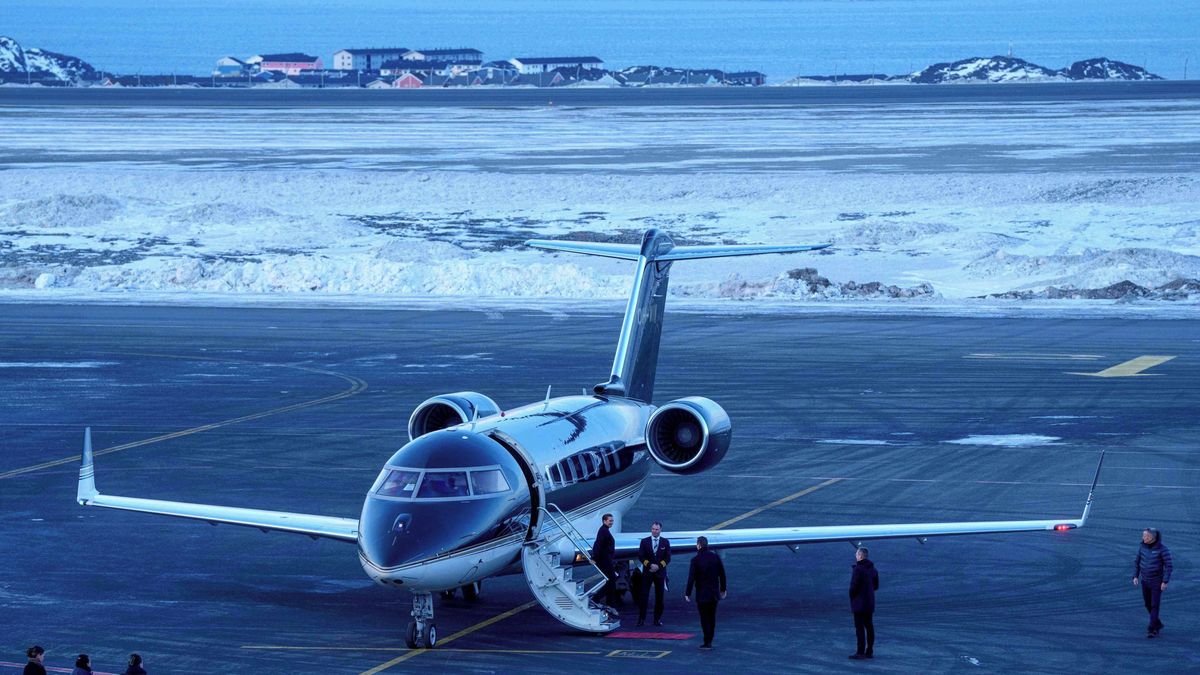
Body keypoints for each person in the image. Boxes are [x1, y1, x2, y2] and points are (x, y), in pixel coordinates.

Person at [684, 535, 727, 649]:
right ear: (706, 545)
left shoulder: (695, 560)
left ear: (698, 545)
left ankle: (706, 640)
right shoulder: (715, 557)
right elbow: (722, 574)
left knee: (704, 618)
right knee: (712, 617)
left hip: (702, 594)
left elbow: (691, 578)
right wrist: (723, 589)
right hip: (713, 593)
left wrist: (687, 593)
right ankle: (710, 639)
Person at [1133, 527, 1173, 637]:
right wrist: (1135, 576)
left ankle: (1151, 629)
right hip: (1145, 581)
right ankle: (1157, 623)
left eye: (1145, 536)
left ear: (1152, 538)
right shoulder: (1142, 547)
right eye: (1143, 535)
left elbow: (1169, 567)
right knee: (1147, 604)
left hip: (1156, 582)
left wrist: (1165, 581)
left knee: (1155, 605)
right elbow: (1137, 562)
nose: (1143, 537)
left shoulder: (1163, 550)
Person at [637, 521, 671, 626]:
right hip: (648, 573)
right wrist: (649, 565)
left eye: (656, 529)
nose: (654, 531)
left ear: (660, 530)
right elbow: (641, 556)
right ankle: (641, 619)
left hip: (660, 573)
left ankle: (657, 619)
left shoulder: (665, 542)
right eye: (653, 529)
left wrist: (659, 566)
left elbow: (668, 558)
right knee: (644, 597)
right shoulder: (644, 541)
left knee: (659, 597)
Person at [848, 547, 879, 660]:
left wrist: (852, 596)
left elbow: (853, 587)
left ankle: (860, 651)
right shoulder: (873, 569)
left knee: (859, 628)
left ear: (860, 556)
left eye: (856, 554)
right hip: (869, 603)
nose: (856, 556)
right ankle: (869, 650)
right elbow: (876, 586)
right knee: (869, 626)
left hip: (859, 604)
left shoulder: (858, 570)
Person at [591, 513, 618, 607]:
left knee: (611, 580)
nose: (612, 522)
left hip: (606, 560)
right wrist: (594, 557)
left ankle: (609, 602)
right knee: (611, 580)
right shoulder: (603, 531)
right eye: (610, 521)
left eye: (612, 521)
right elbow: (598, 544)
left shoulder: (604, 530)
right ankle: (596, 599)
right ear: (604, 521)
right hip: (604, 561)